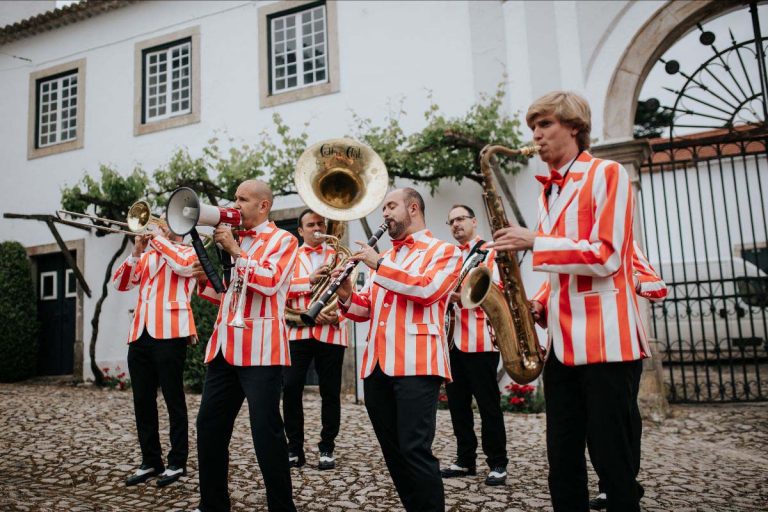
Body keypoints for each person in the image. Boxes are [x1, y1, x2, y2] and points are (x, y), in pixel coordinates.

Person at [489, 91, 650, 512]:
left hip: (607, 342)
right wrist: (537, 302)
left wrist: (534, 240)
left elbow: (607, 255)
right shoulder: (549, 193)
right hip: (562, 344)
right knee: (562, 460)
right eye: (533, 128)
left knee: (613, 463)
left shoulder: (607, 173)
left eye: (545, 125)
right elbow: (562, 268)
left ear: (574, 127)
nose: (536, 136)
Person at [334, 187, 462, 512]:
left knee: (415, 449)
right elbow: (366, 310)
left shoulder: (445, 251)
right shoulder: (387, 258)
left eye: (391, 206)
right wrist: (347, 293)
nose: (385, 214)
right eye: (384, 209)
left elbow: (428, 290)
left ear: (414, 208)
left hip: (417, 364)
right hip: (377, 366)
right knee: (394, 452)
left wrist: (378, 266)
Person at [192, 179, 298, 512]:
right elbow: (227, 293)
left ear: (263, 205)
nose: (233, 204)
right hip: (225, 347)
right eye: (234, 197)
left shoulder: (284, 240)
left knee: (266, 434)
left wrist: (237, 253)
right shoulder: (232, 238)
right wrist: (204, 277)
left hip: (262, 351)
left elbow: (269, 283)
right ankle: (213, 505)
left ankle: (283, 507)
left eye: (242, 199)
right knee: (209, 427)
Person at [112, 221, 198, 488]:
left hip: (171, 333)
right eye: (161, 225)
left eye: (166, 225)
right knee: (142, 401)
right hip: (141, 334)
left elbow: (182, 266)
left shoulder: (190, 251)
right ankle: (151, 461)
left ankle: (177, 462)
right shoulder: (148, 255)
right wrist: (136, 252)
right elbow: (121, 284)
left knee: (174, 399)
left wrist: (158, 239)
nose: (160, 229)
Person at [588, 241, 668, 510]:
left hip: (623, 346)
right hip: (585, 346)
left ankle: (622, 484)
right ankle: (609, 483)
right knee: (593, 423)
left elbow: (658, 288)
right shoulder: (568, 244)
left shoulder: (624, 242)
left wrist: (633, 280)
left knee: (622, 422)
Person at [439, 204, 508, 486]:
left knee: (488, 405)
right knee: (458, 405)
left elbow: (499, 289)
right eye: (451, 221)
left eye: (461, 219)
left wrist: (461, 295)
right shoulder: (447, 255)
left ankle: (498, 463)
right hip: (452, 341)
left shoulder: (489, 251)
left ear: (474, 221)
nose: (456, 224)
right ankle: (465, 459)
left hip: (480, 340)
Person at [283, 209, 348, 470]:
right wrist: (309, 280)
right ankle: (294, 448)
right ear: (300, 231)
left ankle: (327, 447)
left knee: (330, 392)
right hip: (296, 331)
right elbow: (279, 289)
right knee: (290, 389)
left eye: (320, 223)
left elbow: (352, 291)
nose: (317, 228)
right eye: (310, 225)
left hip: (331, 331)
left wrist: (336, 316)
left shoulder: (340, 257)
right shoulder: (288, 257)